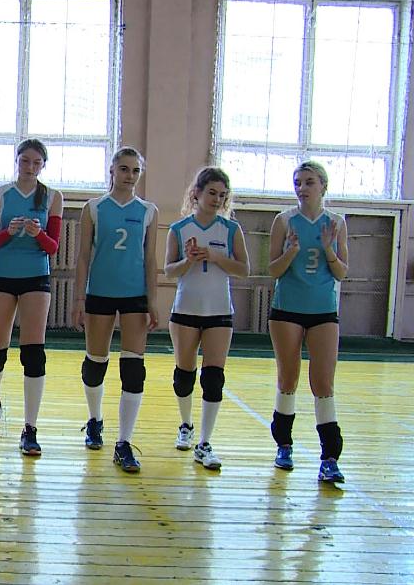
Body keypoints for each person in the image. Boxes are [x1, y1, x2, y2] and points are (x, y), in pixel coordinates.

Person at [71, 146, 158, 473]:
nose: (130, 176)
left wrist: (152, 300)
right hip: (100, 294)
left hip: (134, 295)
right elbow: (83, 257)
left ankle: (124, 442)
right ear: (112, 170)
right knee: (96, 363)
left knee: (133, 368)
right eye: (124, 169)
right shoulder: (94, 208)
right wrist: (79, 299)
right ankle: (95, 420)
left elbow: (150, 259)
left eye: (135, 171)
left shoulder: (148, 211)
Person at [0, 139, 62, 456]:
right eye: (25, 160)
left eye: (36, 162)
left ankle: (30, 428)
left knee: (33, 353)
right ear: (16, 161)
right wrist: (8, 232)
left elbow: (53, 247)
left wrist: (39, 233)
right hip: (2, 275)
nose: (30, 167)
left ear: (43, 165)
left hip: (35, 277)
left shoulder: (52, 197)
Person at [267, 160, 348, 483]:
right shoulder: (284, 220)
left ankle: (330, 456)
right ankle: (284, 445)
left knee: (323, 383)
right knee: (288, 378)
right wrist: (290, 252)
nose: (302, 188)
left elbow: (341, 272)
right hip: (287, 308)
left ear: (323, 186)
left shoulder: (336, 223)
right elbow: (273, 270)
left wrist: (328, 249)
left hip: (323, 310)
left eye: (309, 182)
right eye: (298, 182)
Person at [164, 167, 249, 470]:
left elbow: (244, 270)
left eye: (222, 195)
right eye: (212, 192)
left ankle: (205, 442)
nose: (217, 199)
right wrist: (188, 260)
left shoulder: (230, 229)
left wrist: (215, 257)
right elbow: (169, 271)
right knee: (184, 374)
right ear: (197, 193)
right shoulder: (179, 228)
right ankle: (186, 424)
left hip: (219, 312)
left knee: (213, 377)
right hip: (185, 311)